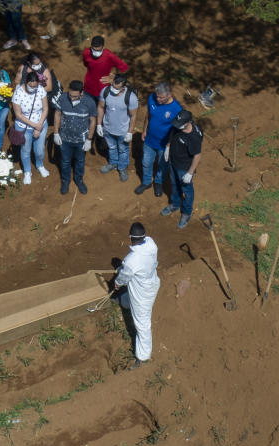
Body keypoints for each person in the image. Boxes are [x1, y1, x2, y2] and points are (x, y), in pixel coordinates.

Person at [113, 222, 160, 370]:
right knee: (129, 300)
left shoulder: (131, 260)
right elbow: (129, 268)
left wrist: (117, 283)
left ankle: (143, 357)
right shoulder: (152, 244)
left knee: (142, 324)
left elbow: (124, 277)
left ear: (130, 237)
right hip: (152, 283)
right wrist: (123, 267)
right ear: (144, 236)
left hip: (142, 293)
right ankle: (124, 302)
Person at [135, 82, 182, 197]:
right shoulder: (152, 98)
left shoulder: (176, 109)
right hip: (149, 140)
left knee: (162, 165)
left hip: (164, 144)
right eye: (157, 96)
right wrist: (144, 130)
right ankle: (146, 182)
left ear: (169, 95)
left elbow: (176, 130)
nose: (158, 99)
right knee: (146, 162)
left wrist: (169, 146)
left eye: (161, 97)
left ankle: (158, 182)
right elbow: (148, 115)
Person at [161, 110, 203, 229]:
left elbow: (197, 155)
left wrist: (190, 173)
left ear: (188, 123)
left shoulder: (194, 137)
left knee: (187, 190)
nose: (177, 126)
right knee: (174, 184)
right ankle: (175, 204)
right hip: (173, 161)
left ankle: (186, 212)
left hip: (184, 168)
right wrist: (168, 146)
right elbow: (172, 132)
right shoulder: (178, 126)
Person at [53, 80, 96, 195]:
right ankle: (65, 181)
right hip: (65, 139)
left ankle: (79, 180)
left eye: (75, 96)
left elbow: (92, 121)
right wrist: (56, 133)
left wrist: (89, 139)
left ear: (82, 93)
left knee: (80, 161)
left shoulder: (89, 102)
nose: (72, 98)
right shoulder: (63, 98)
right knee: (65, 161)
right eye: (70, 95)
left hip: (81, 140)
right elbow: (57, 114)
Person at [96, 74, 139, 181]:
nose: (113, 89)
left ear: (123, 87)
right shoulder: (105, 92)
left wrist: (130, 132)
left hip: (123, 131)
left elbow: (133, 116)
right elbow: (101, 107)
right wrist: (99, 124)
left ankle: (122, 167)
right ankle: (113, 163)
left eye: (117, 88)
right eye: (113, 86)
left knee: (123, 150)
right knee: (111, 147)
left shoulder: (131, 97)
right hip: (108, 128)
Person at [11, 71, 50, 185]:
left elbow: (45, 109)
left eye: (35, 86)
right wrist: (34, 126)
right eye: (30, 86)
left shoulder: (41, 89)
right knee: (25, 150)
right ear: (26, 82)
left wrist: (39, 127)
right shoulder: (18, 93)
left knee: (39, 151)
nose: (33, 88)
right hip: (24, 127)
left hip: (41, 124)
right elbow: (18, 114)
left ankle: (40, 165)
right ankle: (27, 171)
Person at [81, 35, 128, 104]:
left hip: (103, 91)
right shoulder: (86, 53)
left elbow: (125, 68)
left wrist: (114, 78)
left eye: (98, 50)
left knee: (101, 110)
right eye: (93, 50)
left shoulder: (110, 56)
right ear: (91, 46)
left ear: (103, 47)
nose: (96, 52)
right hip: (88, 89)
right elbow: (86, 65)